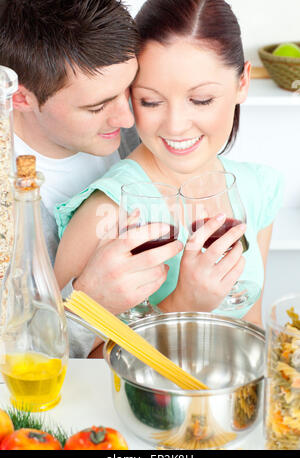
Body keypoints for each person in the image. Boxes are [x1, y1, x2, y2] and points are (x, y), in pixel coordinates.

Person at [54, 0, 283, 351]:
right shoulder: (108, 211)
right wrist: (183, 304)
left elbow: (250, 328)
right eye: (150, 101)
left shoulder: (256, 189)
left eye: (202, 99)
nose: (175, 126)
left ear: (243, 82)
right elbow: (64, 366)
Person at [0, 0, 183, 357]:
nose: (128, 118)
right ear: (20, 97)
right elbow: (12, 360)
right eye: (96, 107)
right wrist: (89, 303)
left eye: (128, 89)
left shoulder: (130, 130)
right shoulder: (8, 204)